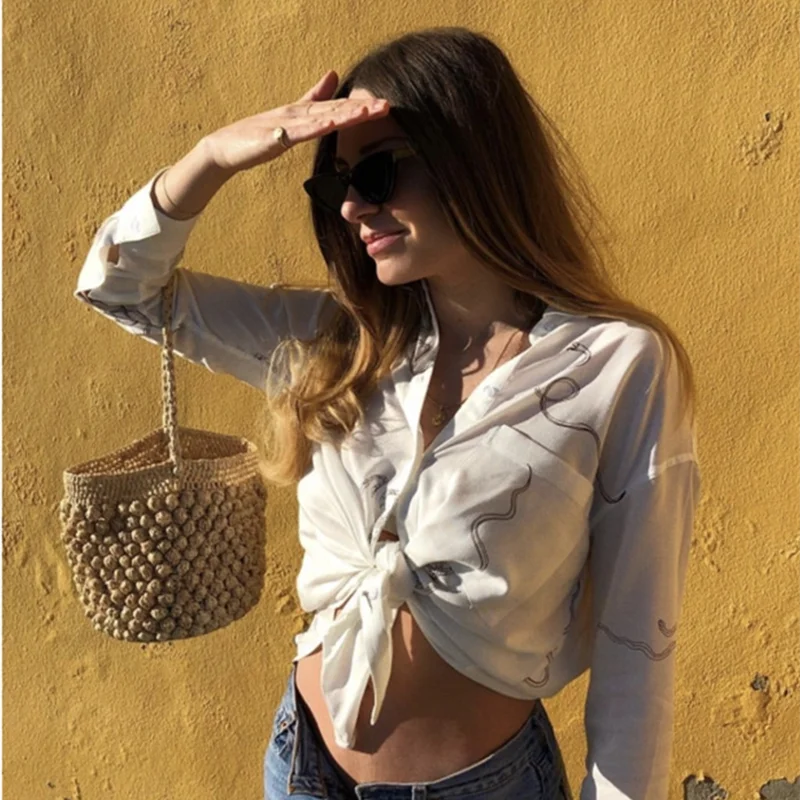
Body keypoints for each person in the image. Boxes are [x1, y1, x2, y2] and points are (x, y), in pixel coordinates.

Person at [74, 26, 702, 800]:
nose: (350, 206)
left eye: (376, 172)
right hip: (302, 767)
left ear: (471, 157)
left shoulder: (617, 365)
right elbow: (120, 289)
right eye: (333, 185)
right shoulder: (336, 342)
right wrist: (212, 157)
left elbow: (636, 651)